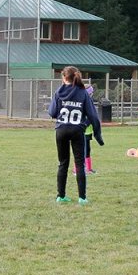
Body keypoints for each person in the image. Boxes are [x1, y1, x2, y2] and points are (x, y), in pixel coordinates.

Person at [48, 66, 103, 205]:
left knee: (63, 163)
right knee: (80, 164)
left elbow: (52, 112)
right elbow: (93, 116)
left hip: (61, 130)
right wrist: (97, 135)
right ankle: (82, 198)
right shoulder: (83, 93)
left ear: (64, 78)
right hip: (77, 130)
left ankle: (60, 196)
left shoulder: (58, 92)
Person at [83, 84, 99, 174]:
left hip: (88, 131)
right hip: (82, 130)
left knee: (87, 150)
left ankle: (88, 168)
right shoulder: (83, 102)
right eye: (91, 92)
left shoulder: (90, 101)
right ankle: (77, 169)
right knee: (81, 150)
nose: (92, 94)